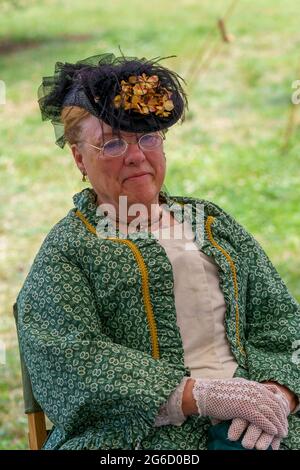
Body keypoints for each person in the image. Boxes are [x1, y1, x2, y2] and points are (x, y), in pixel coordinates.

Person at [16, 53, 300, 451]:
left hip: (256, 420)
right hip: (139, 439)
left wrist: (278, 391)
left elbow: (280, 317)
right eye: (112, 142)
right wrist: (197, 395)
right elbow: (67, 360)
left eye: (147, 137)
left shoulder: (210, 222)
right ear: (79, 157)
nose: (136, 155)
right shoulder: (69, 251)